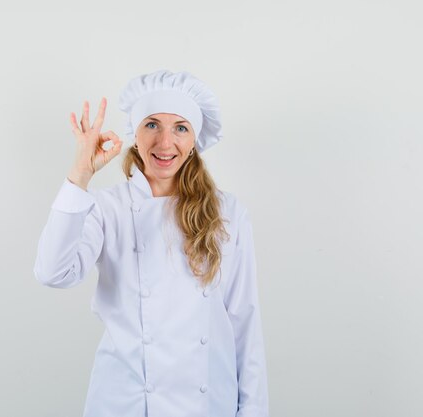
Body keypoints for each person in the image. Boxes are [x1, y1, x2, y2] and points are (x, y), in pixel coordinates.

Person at [33, 69, 269, 417]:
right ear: (135, 134)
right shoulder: (105, 207)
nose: (164, 142)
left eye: (180, 128)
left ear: (194, 142)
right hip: (123, 404)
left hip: (205, 405)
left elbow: (244, 322)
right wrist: (80, 175)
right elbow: (52, 272)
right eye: (152, 125)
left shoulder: (228, 212)